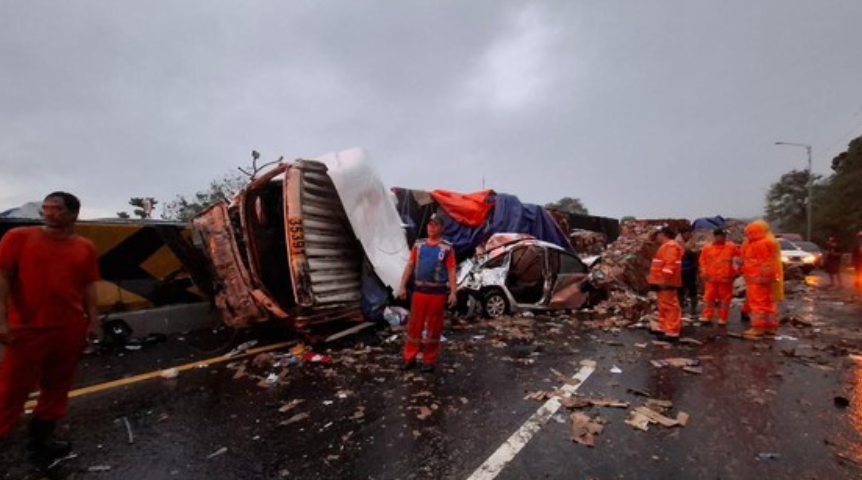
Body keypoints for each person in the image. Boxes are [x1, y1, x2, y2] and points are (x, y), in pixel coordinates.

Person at [0, 192, 101, 462]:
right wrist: (2, 321)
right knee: (11, 388)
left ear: (73, 214)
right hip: (27, 328)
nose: (48, 213)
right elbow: (3, 279)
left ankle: (41, 438)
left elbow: (89, 284)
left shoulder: (84, 247)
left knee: (57, 387)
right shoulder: (17, 238)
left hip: (68, 328)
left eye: (56, 209)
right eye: (45, 208)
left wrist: (93, 320)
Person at [397, 214, 457, 373]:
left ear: (441, 228)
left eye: (435, 225)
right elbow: (410, 265)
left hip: (437, 293)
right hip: (419, 292)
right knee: (414, 327)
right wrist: (402, 286)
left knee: (433, 328)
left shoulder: (446, 248)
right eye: (430, 224)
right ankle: (409, 358)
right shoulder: (418, 245)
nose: (431, 227)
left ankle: (429, 360)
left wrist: (453, 292)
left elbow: (451, 270)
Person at [740, 220, 783, 337]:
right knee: (769, 302)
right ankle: (770, 326)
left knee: (757, 303)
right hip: (764, 278)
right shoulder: (768, 242)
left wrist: (762, 277)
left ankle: (758, 327)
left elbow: (763, 262)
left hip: (756, 279)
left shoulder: (758, 244)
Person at [648, 226, 684, 339]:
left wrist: (665, 279)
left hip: (666, 282)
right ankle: (664, 328)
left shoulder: (670, 246)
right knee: (663, 305)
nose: (656, 237)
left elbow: (670, 264)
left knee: (670, 306)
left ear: (662, 234)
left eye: (658, 234)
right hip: (662, 282)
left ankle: (672, 331)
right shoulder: (666, 246)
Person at [699, 228, 740, 325]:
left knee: (725, 300)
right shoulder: (707, 248)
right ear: (715, 236)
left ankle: (723, 318)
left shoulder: (732, 247)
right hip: (711, 278)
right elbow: (702, 262)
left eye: (724, 236)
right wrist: (704, 272)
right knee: (709, 298)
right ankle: (707, 316)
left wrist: (736, 272)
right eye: (720, 236)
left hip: (725, 278)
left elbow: (738, 261)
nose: (722, 238)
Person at [677, 227, 700, 316]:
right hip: (680, 269)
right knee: (680, 288)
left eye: (689, 233)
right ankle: (681, 306)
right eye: (686, 233)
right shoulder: (676, 242)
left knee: (692, 287)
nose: (688, 235)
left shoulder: (693, 242)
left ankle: (693, 307)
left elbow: (696, 254)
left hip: (690, 268)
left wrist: (691, 253)